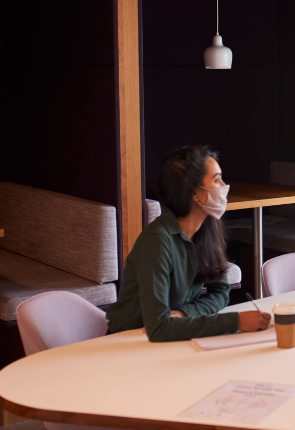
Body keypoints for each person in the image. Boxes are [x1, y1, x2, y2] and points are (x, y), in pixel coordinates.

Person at [106, 145, 271, 342]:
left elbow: (221, 293)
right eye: (217, 180)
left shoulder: (207, 228)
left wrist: (186, 313)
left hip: (173, 336)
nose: (225, 186)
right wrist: (235, 322)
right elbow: (159, 328)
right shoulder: (158, 241)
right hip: (127, 341)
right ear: (194, 193)